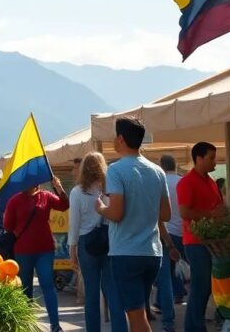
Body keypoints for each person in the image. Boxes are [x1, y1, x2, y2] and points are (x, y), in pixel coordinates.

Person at [96, 117, 171, 332]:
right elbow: (166, 214)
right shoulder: (157, 171)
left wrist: (101, 208)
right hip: (152, 252)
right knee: (139, 312)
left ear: (120, 139)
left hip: (126, 252)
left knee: (136, 317)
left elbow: (116, 213)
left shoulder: (116, 170)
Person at [4, 177, 70, 332]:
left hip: (45, 250)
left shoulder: (46, 196)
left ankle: (55, 325)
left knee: (48, 285)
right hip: (23, 251)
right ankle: (26, 326)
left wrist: (58, 187)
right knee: (26, 289)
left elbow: (65, 205)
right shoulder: (15, 200)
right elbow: (8, 226)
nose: (38, 182)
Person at [69, 152, 126, 332]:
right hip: (110, 240)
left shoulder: (77, 192)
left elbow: (74, 223)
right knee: (113, 292)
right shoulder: (111, 190)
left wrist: (72, 249)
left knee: (91, 295)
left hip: (87, 244)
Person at [177, 142, 222, 332]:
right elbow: (184, 212)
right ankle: (196, 326)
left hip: (210, 241)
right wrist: (211, 214)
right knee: (200, 287)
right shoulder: (187, 182)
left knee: (204, 287)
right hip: (195, 242)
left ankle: (193, 326)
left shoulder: (210, 180)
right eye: (211, 158)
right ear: (199, 158)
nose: (215, 162)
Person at [157, 155, 185, 306]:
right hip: (185, 230)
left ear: (162, 166)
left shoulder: (161, 182)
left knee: (166, 271)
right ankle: (179, 292)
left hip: (168, 231)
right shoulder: (183, 181)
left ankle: (162, 302)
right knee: (181, 265)